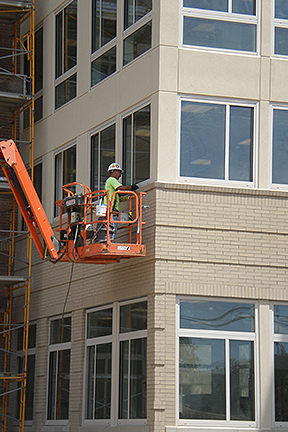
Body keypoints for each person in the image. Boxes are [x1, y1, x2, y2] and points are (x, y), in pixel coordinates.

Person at [104, 163, 139, 242]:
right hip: (111, 211)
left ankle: (110, 242)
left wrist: (130, 190)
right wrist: (130, 187)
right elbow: (121, 188)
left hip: (111, 211)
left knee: (111, 230)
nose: (120, 175)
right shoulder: (112, 180)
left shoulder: (111, 185)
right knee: (112, 230)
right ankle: (110, 242)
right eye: (119, 173)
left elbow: (120, 193)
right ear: (115, 171)